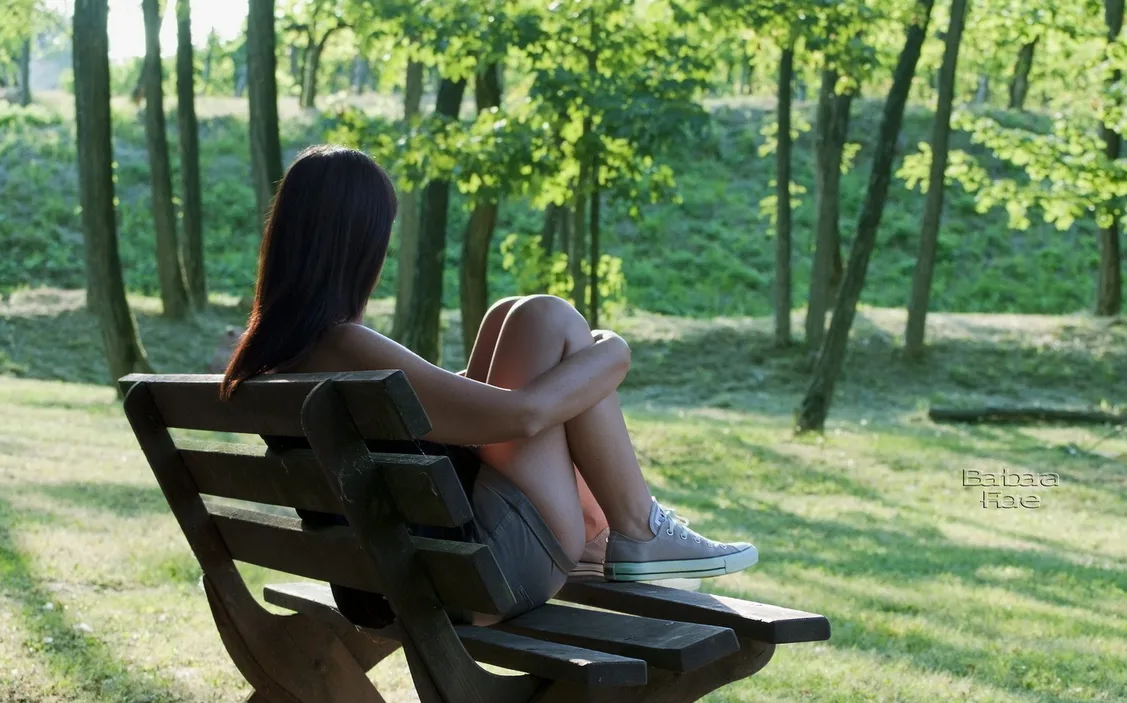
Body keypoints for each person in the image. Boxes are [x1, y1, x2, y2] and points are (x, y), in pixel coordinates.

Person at [221, 144, 755, 622]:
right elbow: (523, 415)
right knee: (547, 320)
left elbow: (442, 413)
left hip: (391, 580)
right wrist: (612, 351)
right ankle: (637, 529)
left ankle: (615, 531)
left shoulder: (280, 356)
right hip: (471, 577)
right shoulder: (342, 344)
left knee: (509, 318)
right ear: (360, 244)